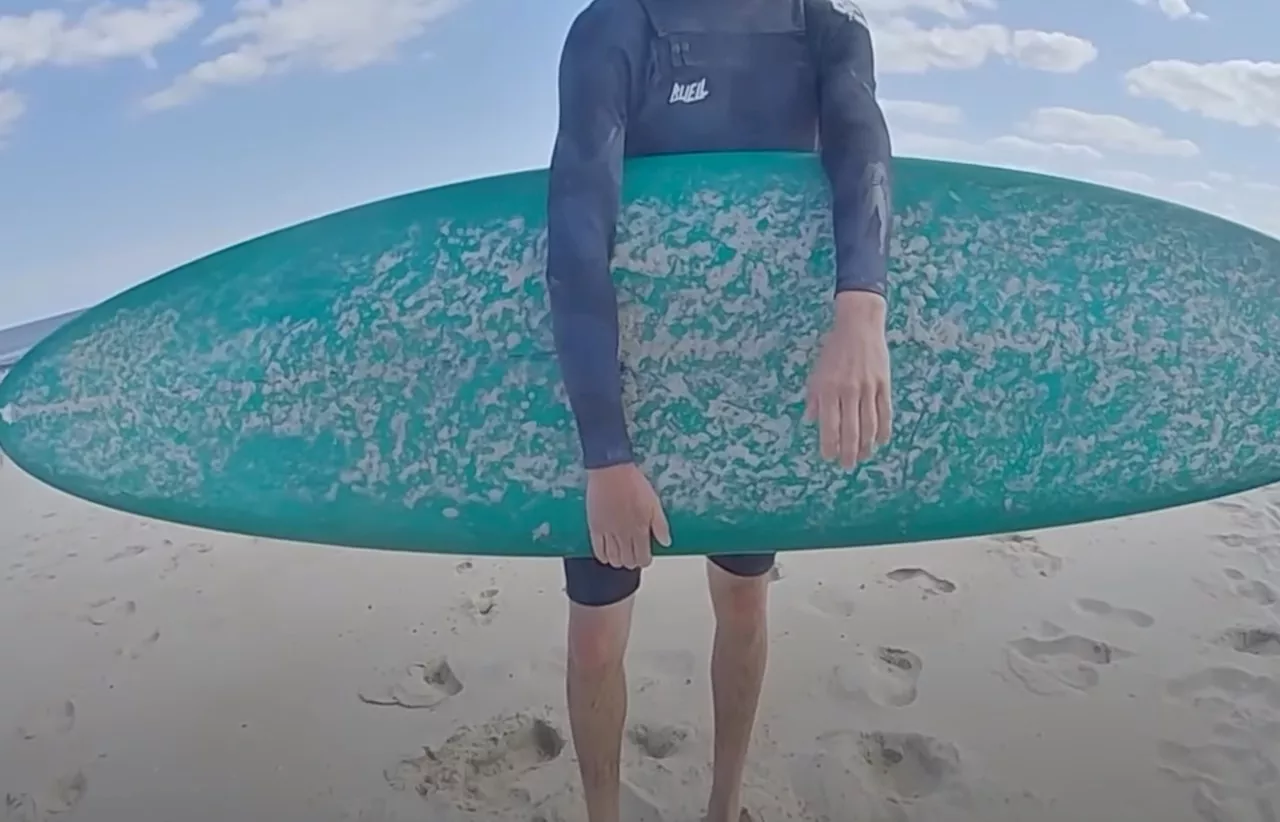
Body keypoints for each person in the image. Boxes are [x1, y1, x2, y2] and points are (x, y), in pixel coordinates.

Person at [543, 0, 893, 819]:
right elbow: (577, 230)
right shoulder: (618, 26)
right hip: (620, 373)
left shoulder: (825, 26)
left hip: (749, 379)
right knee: (596, 636)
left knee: (744, 599)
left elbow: (861, 150)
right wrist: (605, 452)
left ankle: (724, 804)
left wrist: (861, 311)